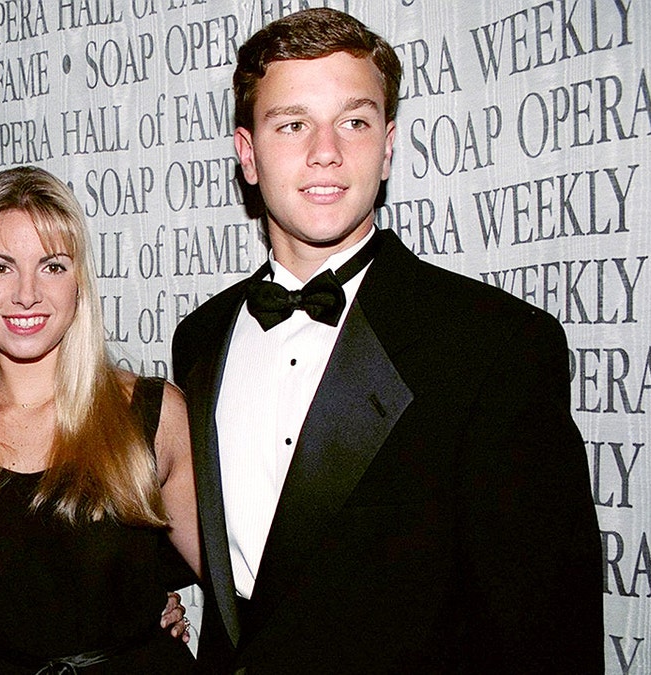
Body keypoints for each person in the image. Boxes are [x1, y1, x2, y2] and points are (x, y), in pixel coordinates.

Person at [171, 8, 603, 673]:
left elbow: (548, 637)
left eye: (355, 121)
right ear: (247, 155)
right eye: (292, 124)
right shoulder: (200, 338)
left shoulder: (496, 347)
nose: (326, 151)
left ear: (389, 144)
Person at [0, 165, 202, 674]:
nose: (26, 293)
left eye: (52, 266)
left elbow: (237, 587)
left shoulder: (150, 414)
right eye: (1, 267)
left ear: (79, 283)